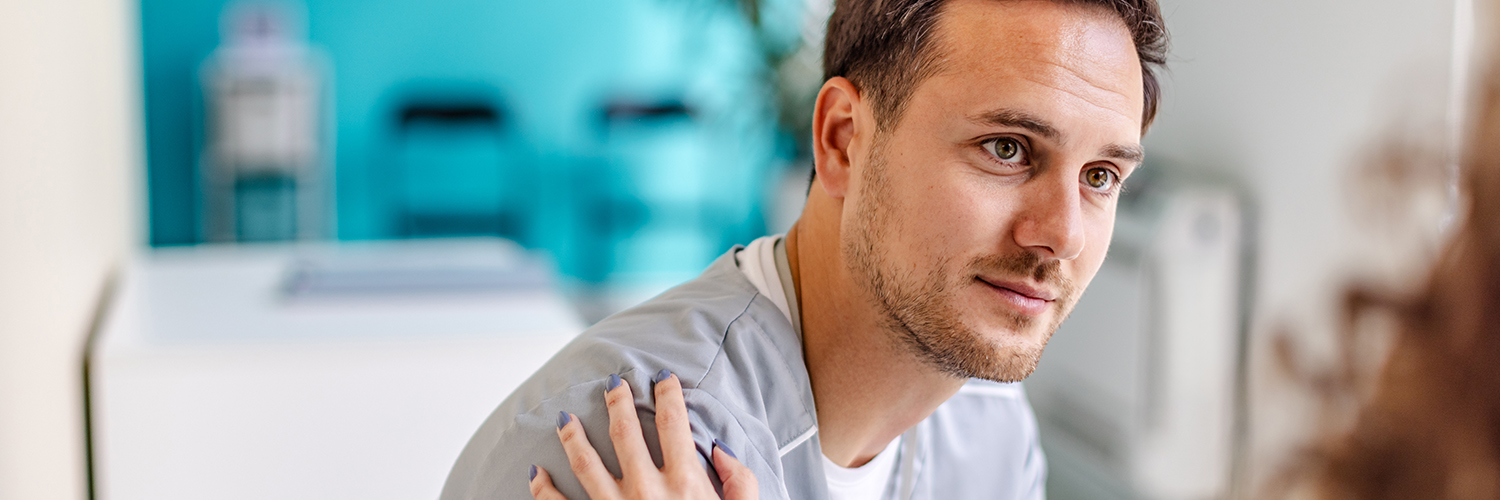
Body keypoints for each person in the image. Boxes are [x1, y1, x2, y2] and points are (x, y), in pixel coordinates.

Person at [440, 0, 1168, 498]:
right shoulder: (624, 448)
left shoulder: (987, 434)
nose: (1064, 234)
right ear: (842, 139)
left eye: (1101, 176)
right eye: (1007, 148)